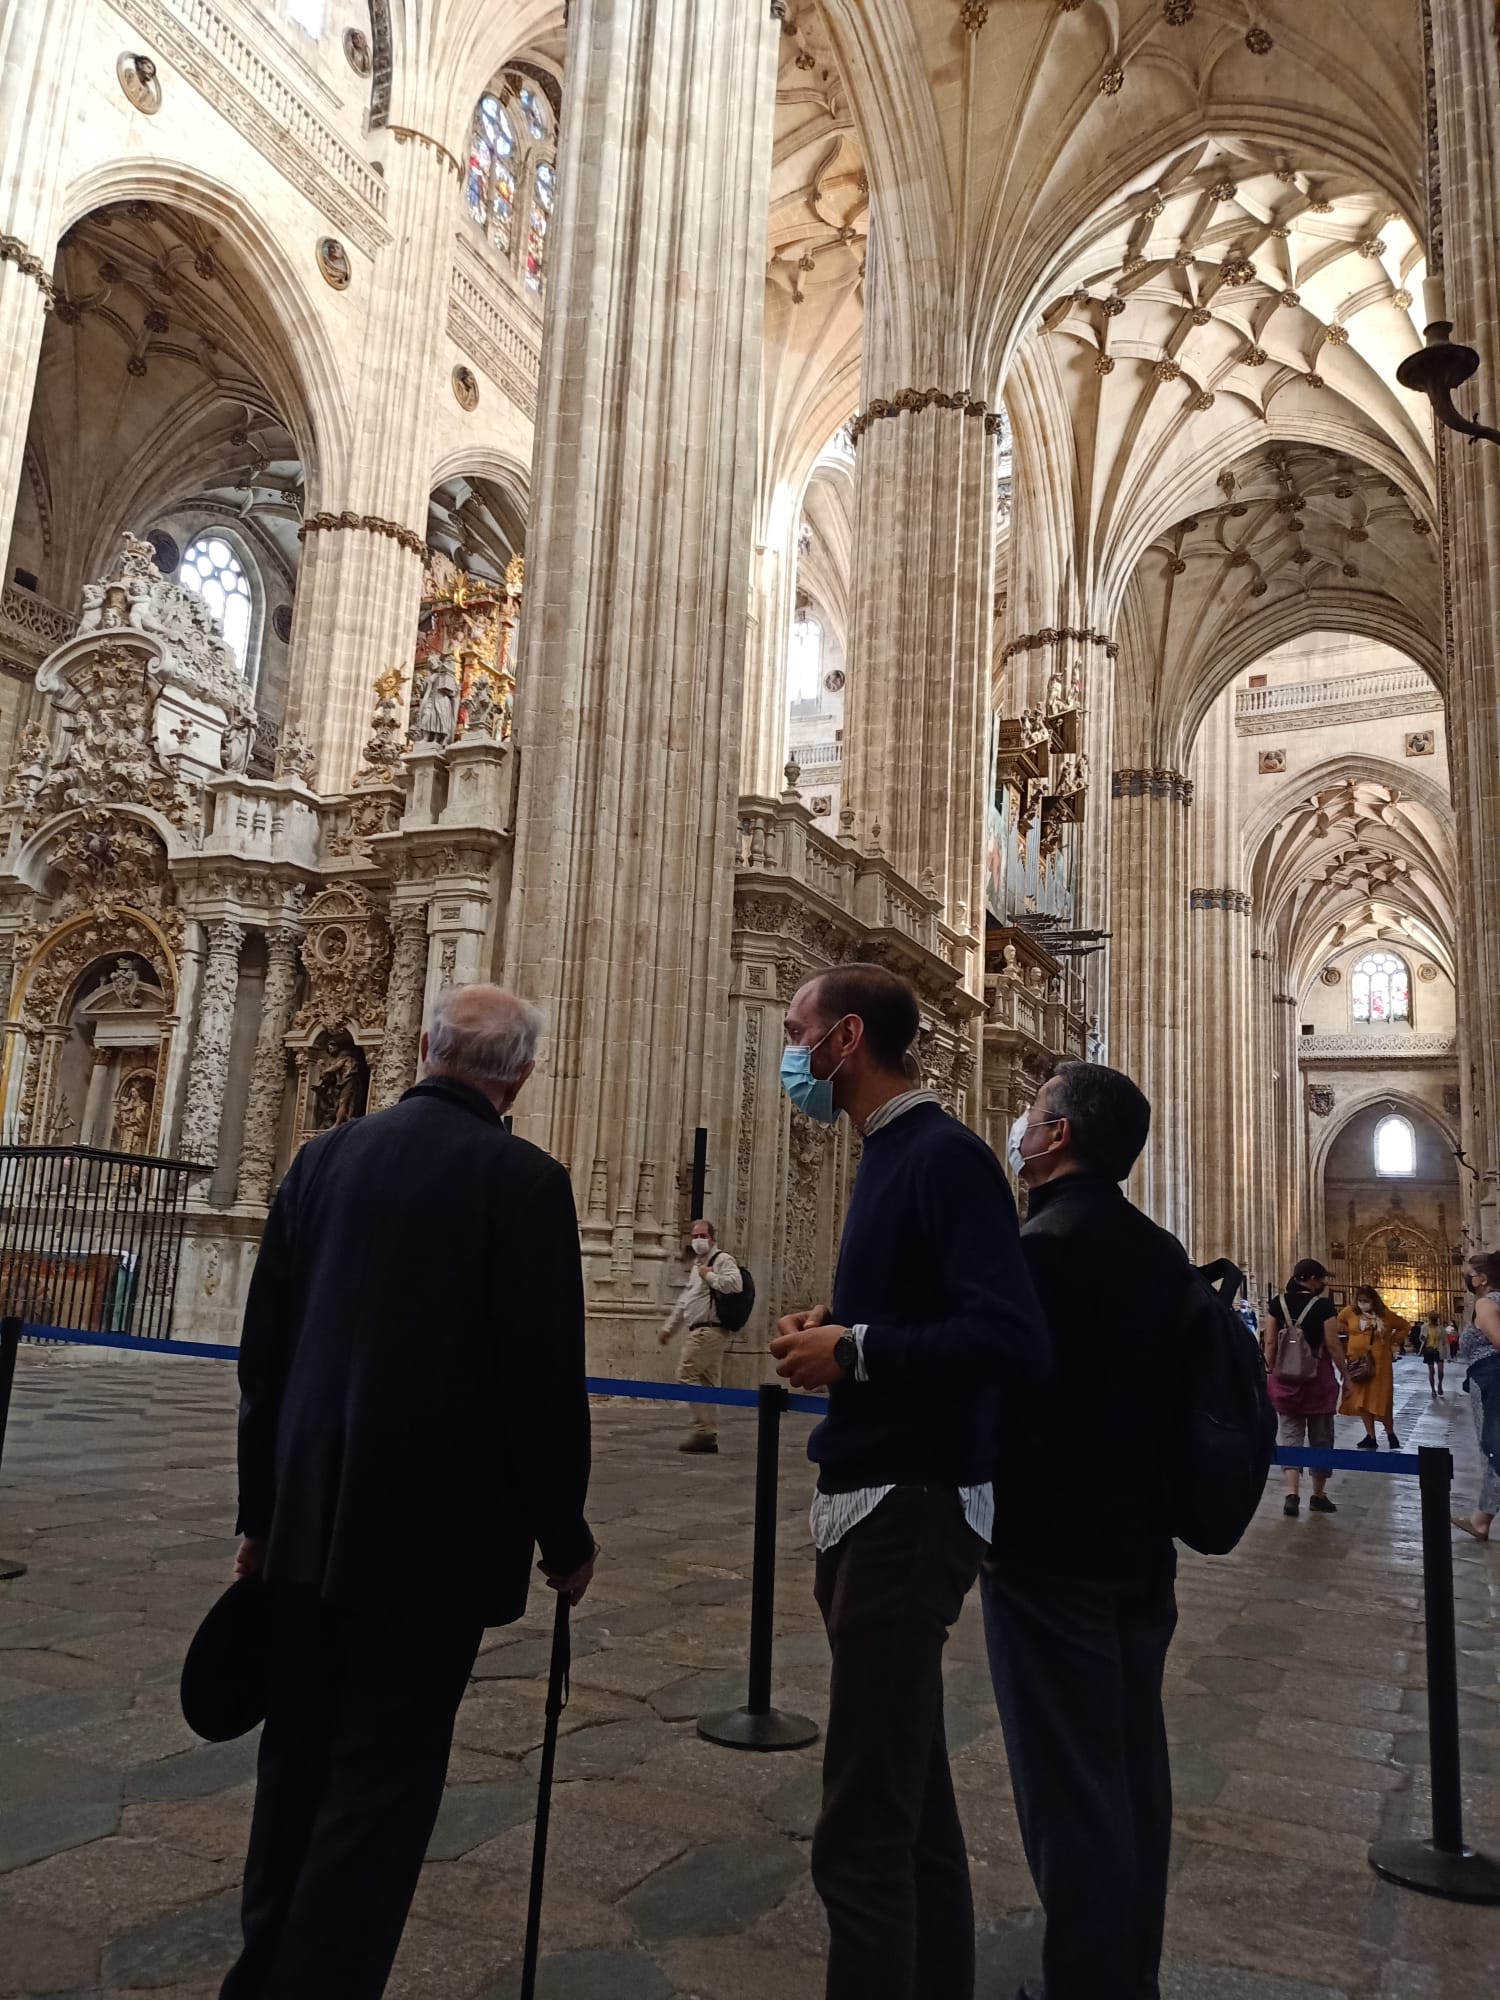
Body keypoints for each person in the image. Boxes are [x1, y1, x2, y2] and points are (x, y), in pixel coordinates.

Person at [222, 984, 597, 2000]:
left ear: (425, 1046)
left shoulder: (323, 1158)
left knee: (295, 1762)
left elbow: (265, 1357)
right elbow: (540, 1382)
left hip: (305, 1523)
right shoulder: (526, 1182)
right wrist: (563, 1533)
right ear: (521, 1075)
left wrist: (259, 1515)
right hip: (433, 1545)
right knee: (380, 1786)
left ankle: (260, 1976)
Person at [768, 962, 1041, 2000]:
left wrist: (858, 1349)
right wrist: (839, 1329)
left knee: (861, 1830)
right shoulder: (887, 1151)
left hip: (911, 1504)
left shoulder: (943, 1155)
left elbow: (1008, 1336)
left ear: (845, 1039)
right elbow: (917, 1314)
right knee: (913, 1801)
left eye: (796, 1029)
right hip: (876, 1497)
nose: (787, 1050)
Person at [984, 1063, 1192, 2000]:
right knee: (1133, 1771)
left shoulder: (1040, 1250)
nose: (1023, 1129)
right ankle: (1130, 1975)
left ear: (1059, 1135)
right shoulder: (1159, 1250)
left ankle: (1085, 1984)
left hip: (1050, 1557)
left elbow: (1010, 1404)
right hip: (1141, 1549)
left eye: (1033, 1115)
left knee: (1069, 1787)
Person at [1265, 1260, 1343, 1517]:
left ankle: (1292, 1493)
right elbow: (1333, 1344)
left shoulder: (1277, 1303)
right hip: (1317, 1379)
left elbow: (1269, 1343)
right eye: (1321, 1279)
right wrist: (1346, 1375)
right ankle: (1318, 1495)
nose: (1323, 1283)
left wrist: (1269, 1371)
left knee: (1290, 1435)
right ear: (1310, 1279)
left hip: (1285, 1379)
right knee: (1321, 1437)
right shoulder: (1323, 1306)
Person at [658, 1218, 743, 1454]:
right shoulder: (698, 1265)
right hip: (699, 1328)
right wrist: (669, 1328)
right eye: (695, 1236)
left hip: (709, 1329)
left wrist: (710, 1277)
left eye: (702, 1236)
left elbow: (736, 1284)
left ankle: (702, 1430)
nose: (698, 1240)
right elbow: (686, 1300)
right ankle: (710, 1434)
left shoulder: (722, 1259)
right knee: (708, 1383)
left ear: (712, 1238)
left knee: (685, 1375)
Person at [1452, 1251, 1500, 1542]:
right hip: (1489, 1377)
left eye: (1470, 1274)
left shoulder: (1486, 1303)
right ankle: (1482, 1517)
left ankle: (1481, 1520)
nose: (1467, 1278)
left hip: (1490, 1378)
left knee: (1492, 1447)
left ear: (1482, 1278)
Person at [1337, 1283, 1407, 1449]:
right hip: (1357, 1362)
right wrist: (1350, 1336)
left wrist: (1391, 1341)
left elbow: (1404, 1326)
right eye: (1360, 1300)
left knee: (1380, 1399)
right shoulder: (1350, 1312)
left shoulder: (1385, 1315)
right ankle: (1370, 1435)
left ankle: (1390, 1433)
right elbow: (1339, 1322)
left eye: (1366, 1300)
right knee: (1360, 1400)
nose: (1363, 1304)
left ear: (1373, 1301)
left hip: (1379, 1364)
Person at [1421, 1311, 1448, 1396]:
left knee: (1440, 1371)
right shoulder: (1425, 1327)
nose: (1433, 1320)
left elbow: (1445, 1341)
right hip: (1429, 1350)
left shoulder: (1441, 1328)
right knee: (1431, 1371)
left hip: (1438, 1350)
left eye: (1434, 1318)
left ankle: (1440, 1384)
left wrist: (1448, 1354)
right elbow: (1421, 1338)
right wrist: (1423, 1338)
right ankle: (1433, 1389)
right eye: (1432, 1318)